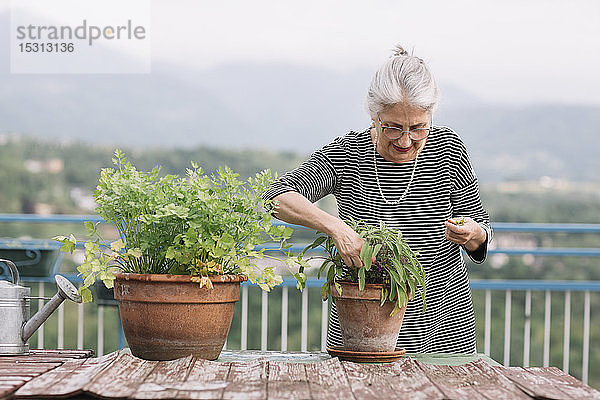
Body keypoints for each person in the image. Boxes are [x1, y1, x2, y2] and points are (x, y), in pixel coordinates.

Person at [262, 44, 492, 353]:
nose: (406, 140)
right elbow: (276, 197)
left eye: (418, 127)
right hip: (362, 333)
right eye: (393, 127)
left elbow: (481, 228)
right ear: (374, 115)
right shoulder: (347, 154)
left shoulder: (448, 149)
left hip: (444, 329)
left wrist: (473, 234)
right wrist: (337, 228)